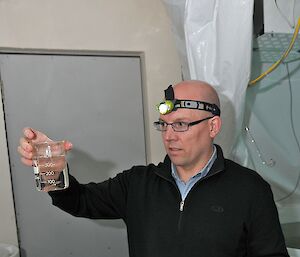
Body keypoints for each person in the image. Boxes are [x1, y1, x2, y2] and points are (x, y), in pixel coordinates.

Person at [18, 80, 289, 257]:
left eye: (181, 124)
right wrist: (49, 167)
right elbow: (80, 201)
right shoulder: (138, 184)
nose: (169, 136)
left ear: (212, 127)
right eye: (164, 125)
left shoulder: (249, 189)